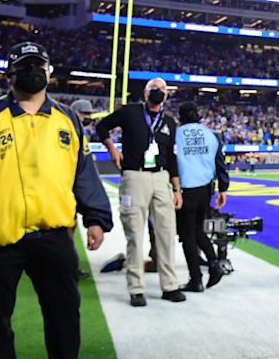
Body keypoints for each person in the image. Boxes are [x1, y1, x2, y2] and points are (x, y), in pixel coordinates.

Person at [0, 41, 112, 359]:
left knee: (65, 318)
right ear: (8, 74)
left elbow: (83, 171)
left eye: (38, 65)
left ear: (49, 72)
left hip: (54, 235)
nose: (33, 71)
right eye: (24, 65)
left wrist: (96, 217)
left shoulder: (68, 119)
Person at [96, 78, 186, 306]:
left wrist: (177, 188)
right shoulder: (130, 112)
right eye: (153, 89)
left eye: (162, 89)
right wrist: (112, 148)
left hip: (161, 177)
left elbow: (172, 156)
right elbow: (101, 126)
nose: (158, 92)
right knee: (135, 234)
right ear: (145, 93)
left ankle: (170, 285)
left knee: (166, 233)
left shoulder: (169, 122)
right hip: (134, 176)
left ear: (167, 95)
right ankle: (136, 288)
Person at [174, 101, 229, 292]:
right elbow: (220, 163)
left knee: (187, 235)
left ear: (180, 116)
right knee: (198, 230)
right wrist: (223, 189)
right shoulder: (211, 135)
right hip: (205, 189)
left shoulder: (176, 134)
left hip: (185, 189)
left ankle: (195, 279)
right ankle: (214, 264)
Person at [70, 99, 97, 281]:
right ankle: (68, 267)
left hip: (72, 187)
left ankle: (69, 265)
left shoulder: (79, 132)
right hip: (66, 188)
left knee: (71, 228)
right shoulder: (70, 131)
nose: (88, 118)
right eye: (85, 115)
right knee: (67, 229)